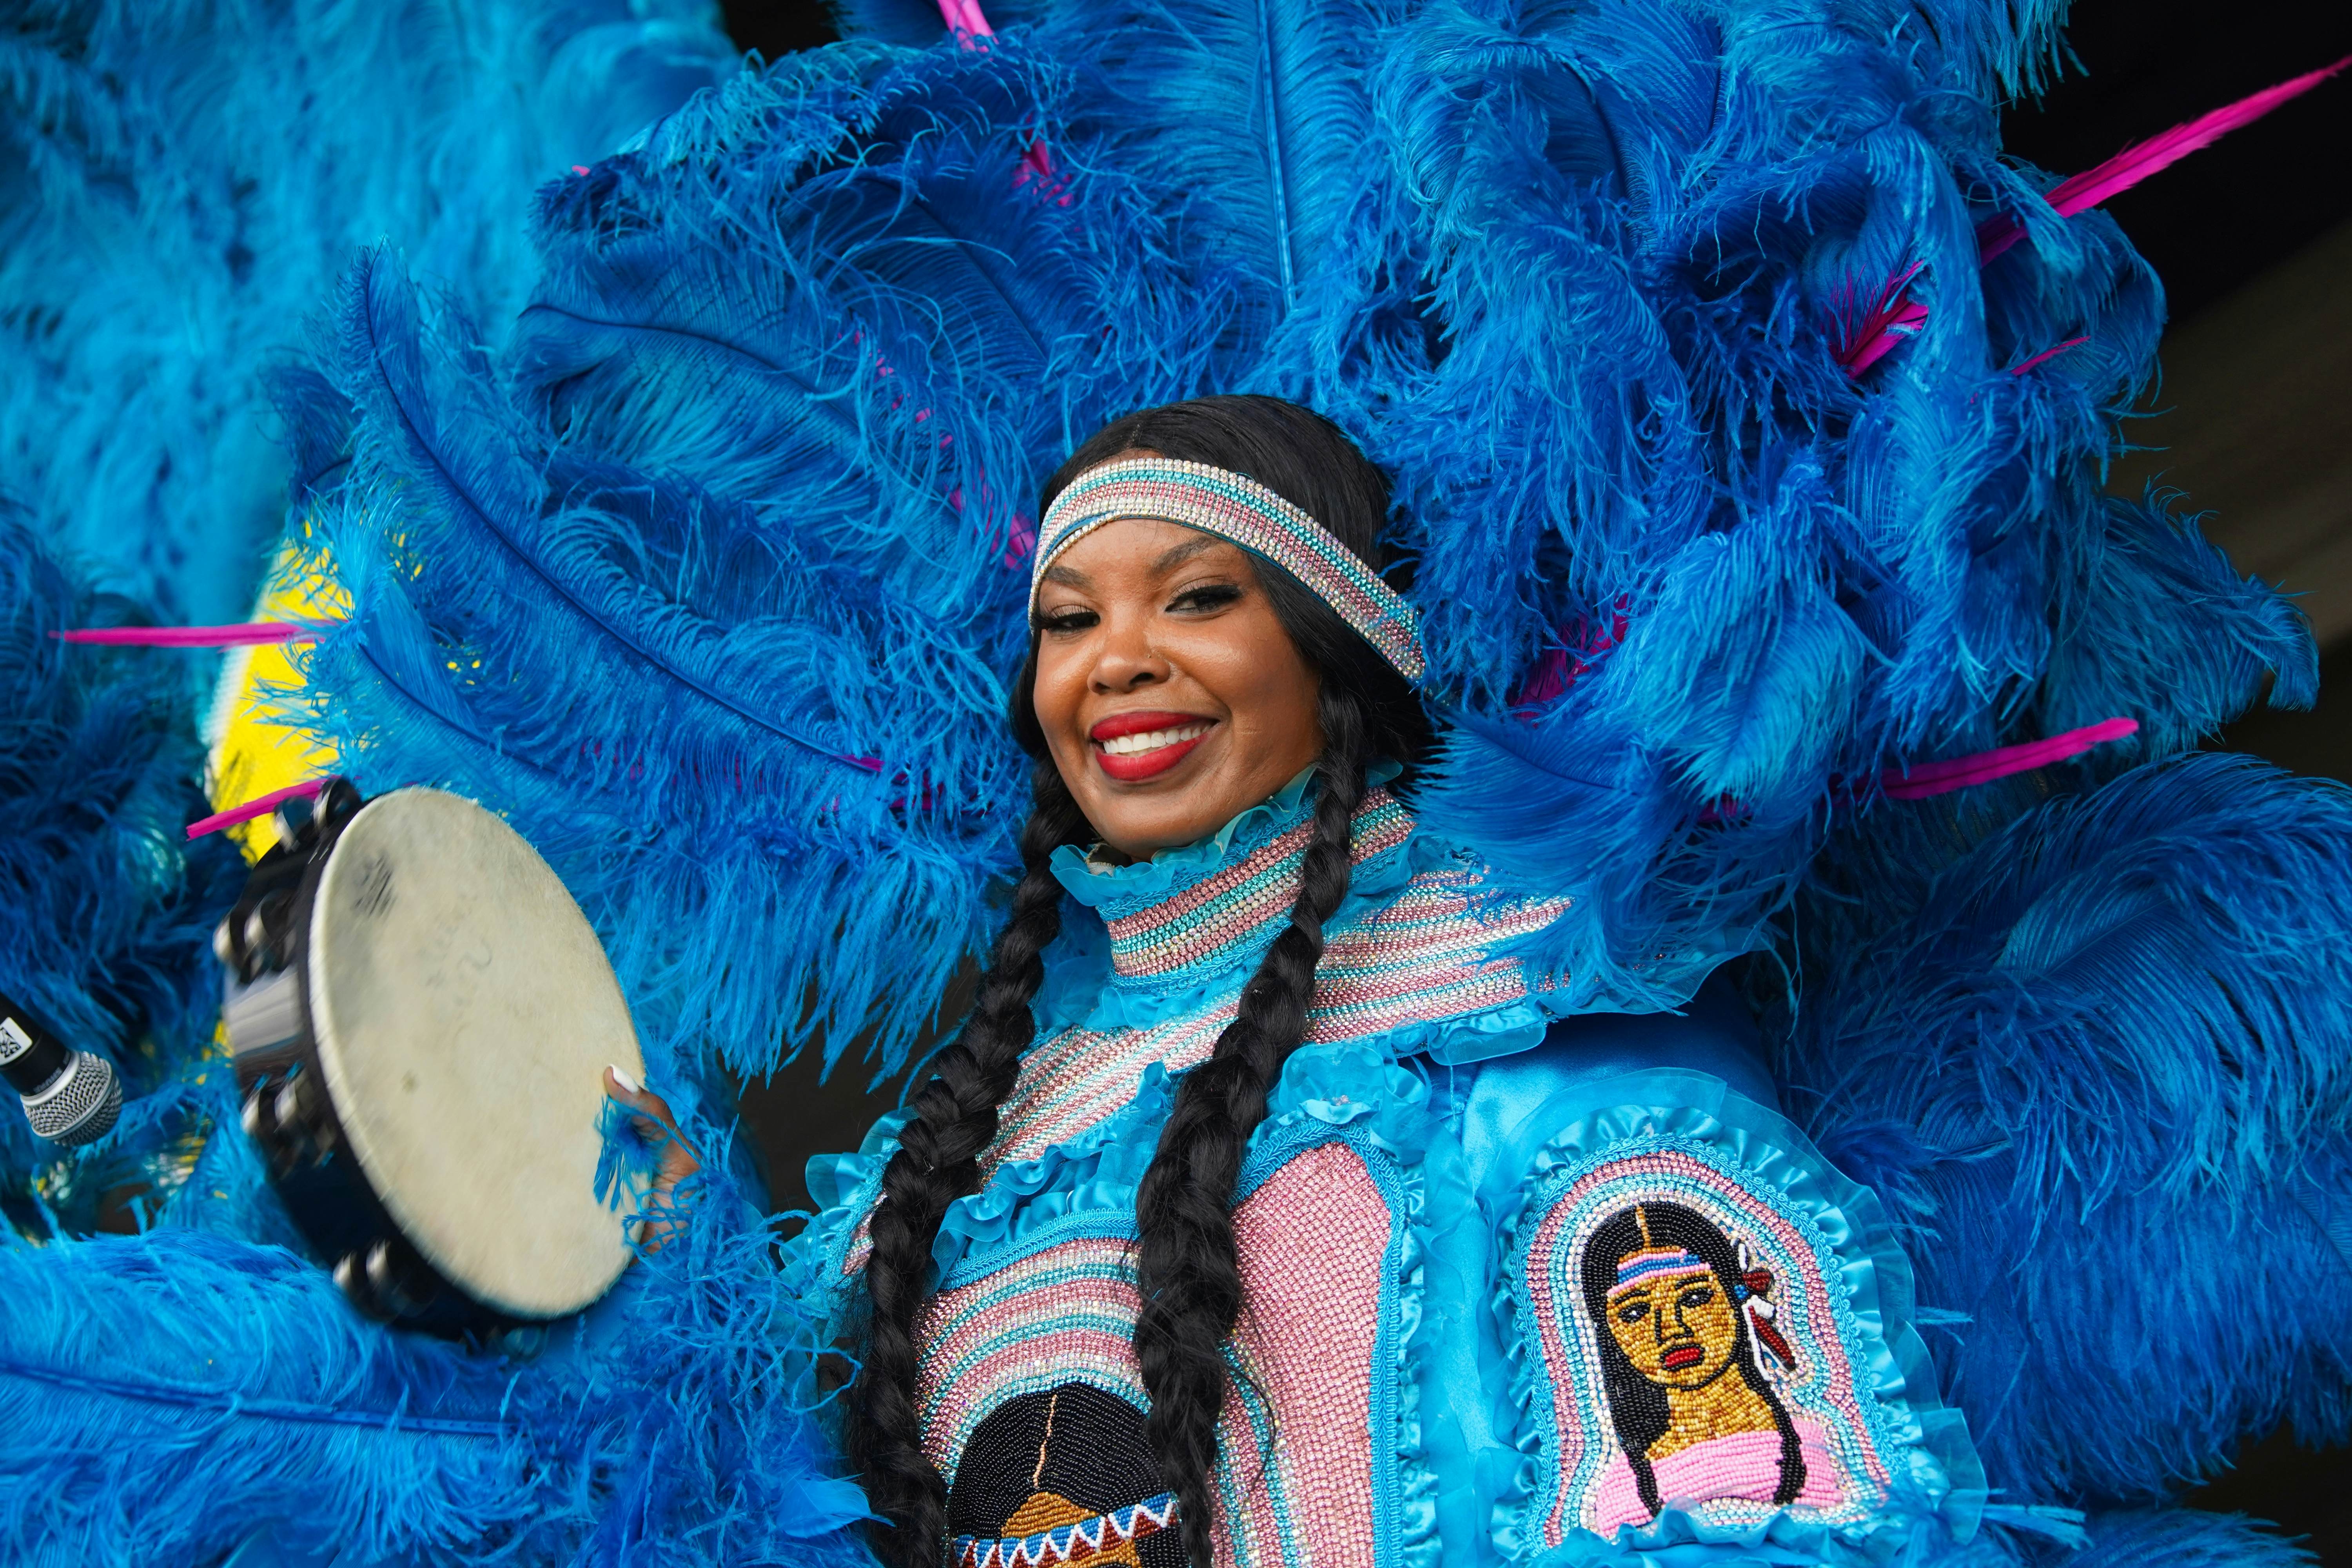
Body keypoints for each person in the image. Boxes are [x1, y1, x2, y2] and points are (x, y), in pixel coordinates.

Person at [737, 394, 1976, 1568]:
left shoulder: (1527, 989)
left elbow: (1757, 1492)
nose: (1115, 663)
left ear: (1341, 643)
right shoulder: (962, 1146)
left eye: (1199, 597)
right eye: (1070, 620)